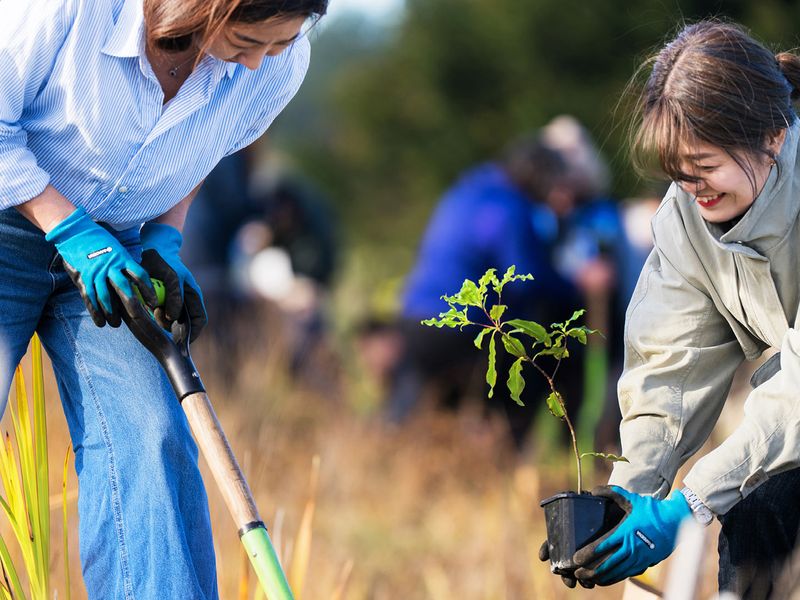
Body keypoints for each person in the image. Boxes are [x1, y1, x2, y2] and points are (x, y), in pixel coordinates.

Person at [0, 0, 327, 597]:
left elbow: (204, 144)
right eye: (249, 41)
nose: (258, 65)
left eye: (277, 47)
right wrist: (69, 230)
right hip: (8, 219)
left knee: (151, 434)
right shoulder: (72, 10)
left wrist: (165, 236)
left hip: (116, 248)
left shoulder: (279, 63)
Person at [541, 21, 800, 597]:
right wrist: (634, 494)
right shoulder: (686, 219)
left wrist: (694, 499)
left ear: (773, 136)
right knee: (758, 516)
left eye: (705, 166)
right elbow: (670, 366)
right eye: (678, 173)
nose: (693, 189)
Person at [388, 136, 583, 448]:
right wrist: (575, 285)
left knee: (408, 408)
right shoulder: (510, 206)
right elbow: (523, 279)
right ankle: (511, 451)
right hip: (461, 327)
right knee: (528, 364)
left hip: (413, 316)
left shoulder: (467, 189)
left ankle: (390, 457)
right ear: (537, 175)